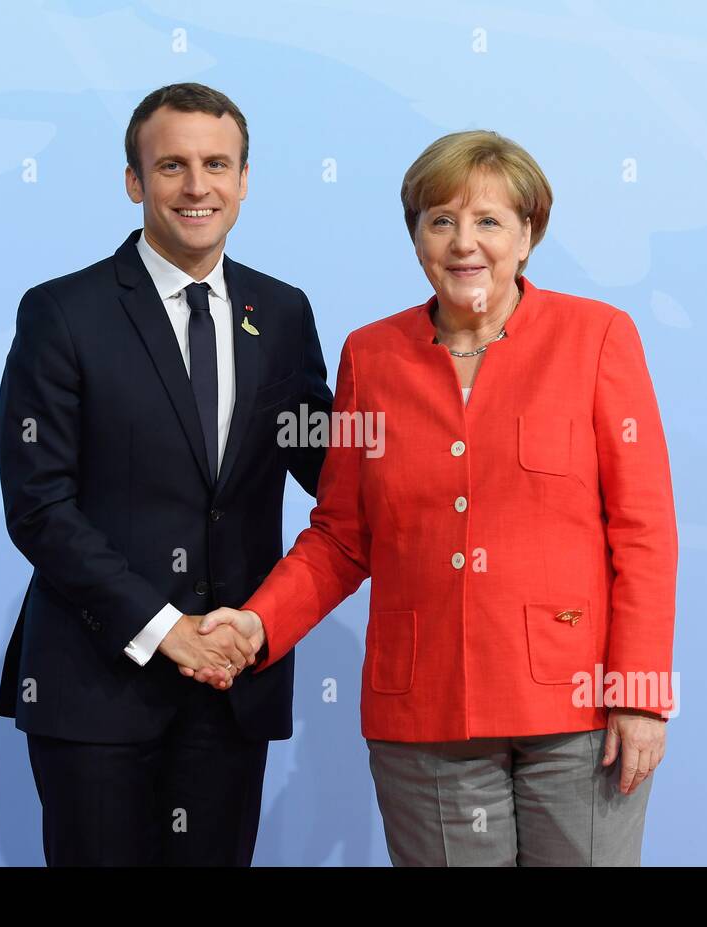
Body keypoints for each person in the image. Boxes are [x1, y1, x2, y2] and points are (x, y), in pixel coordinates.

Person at [195, 130, 679, 866]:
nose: (464, 243)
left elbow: (643, 531)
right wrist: (258, 626)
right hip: (424, 717)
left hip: (579, 715)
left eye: (489, 221)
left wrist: (640, 694)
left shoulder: (598, 338)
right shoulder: (372, 355)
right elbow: (342, 536)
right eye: (440, 220)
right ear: (416, 236)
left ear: (528, 234)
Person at [0, 82, 333, 865]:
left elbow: (322, 462)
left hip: (232, 684)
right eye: (172, 165)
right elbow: (39, 507)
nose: (196, 186)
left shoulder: (282, 314)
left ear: (244, 180)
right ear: (134, 182)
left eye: (217, 164)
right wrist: (166, 632)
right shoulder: (62, 312)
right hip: (97, 690)